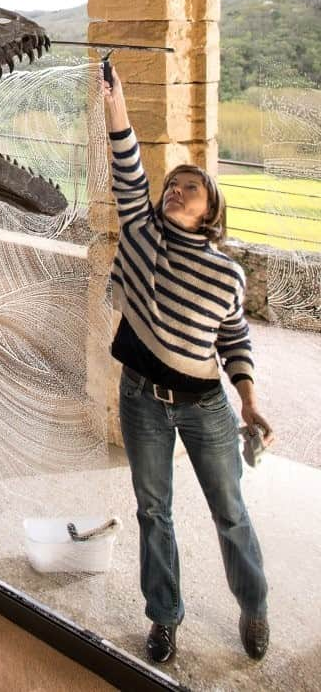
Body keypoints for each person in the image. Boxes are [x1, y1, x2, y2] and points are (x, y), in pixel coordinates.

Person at [102, 64, 275, 664]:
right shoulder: (141, 231)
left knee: (229, 511)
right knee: (154, 512)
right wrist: (116, 99)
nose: (174, 190)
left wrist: (249, 399)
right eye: (171, 184)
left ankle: (254, 605)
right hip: (141, 396)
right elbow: (126, 162)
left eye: (189, 188)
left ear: (209, 212)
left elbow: (233, 338)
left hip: (205, 407)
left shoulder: (227, 272)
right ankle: (165, 617)